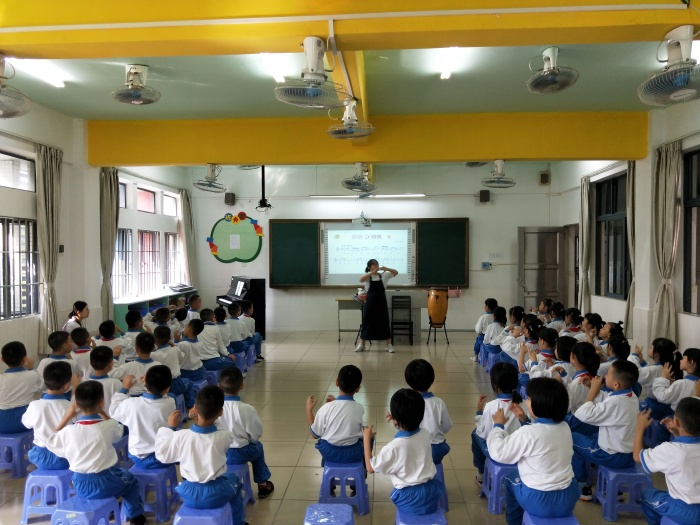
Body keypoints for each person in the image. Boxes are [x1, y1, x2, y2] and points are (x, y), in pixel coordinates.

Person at [46, 381, 147, 525]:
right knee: (130, 481)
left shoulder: (69, 431)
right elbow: (119, 432)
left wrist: (67, 417)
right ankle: (136, 517)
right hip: (105, 481)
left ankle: (107, 507)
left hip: (80, 484)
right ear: (101, 403)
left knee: (115, 478)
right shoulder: (108, 425)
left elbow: (50, 441)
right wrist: (103, 412)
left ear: (77, 405)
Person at [487, 377, 580, 525]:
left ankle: (514, 522)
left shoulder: (528, 433)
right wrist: (524, 420)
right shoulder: (565, 427)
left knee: (511, 477)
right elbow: (541, 436)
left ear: (540, 404)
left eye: (529, 398)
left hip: (538, 501)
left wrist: (498, 425)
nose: (526, 401)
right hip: (568, 499)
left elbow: (499, 452)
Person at [155, 386, 247, 525]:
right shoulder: (224, 436)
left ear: (195, 409)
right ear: (220, 412)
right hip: (216, 493)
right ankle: (238, 522)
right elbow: (219, 429)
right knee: (235, 482)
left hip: (188, 493)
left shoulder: (181, 436)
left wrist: (170, 428)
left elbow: (162, 455)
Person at [362, 388, 445, 515]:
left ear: (395, 419)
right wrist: (398, 420)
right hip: (432, 492)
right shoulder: (425, 433)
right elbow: (410, 434)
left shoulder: (394, 447)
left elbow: (370, 468)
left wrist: (366, 439)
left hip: (409, 498)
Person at [572, 359, 640, 500]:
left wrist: (592, 392)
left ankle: (582, 486)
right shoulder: (631, 396)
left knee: (571, 439)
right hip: (629, 455)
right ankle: (612, 488)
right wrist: (592, 387)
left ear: (616, 384)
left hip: (612, 456)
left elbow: (583, 414)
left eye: (608, 374)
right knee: (592, 436)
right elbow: (607, 400)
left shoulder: (616, 402)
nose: (604, 376)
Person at [634, 398, 700, 525]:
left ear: (676, 422)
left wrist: (639, 428)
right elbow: (688, 450)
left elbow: (637, 457)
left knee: (646, 495)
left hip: (685, 510)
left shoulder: (669, 450)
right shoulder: (675, 450)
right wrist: (677, 433)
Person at [218, 367, 274, 498]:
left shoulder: (214, 408)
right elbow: (255, 434)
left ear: (219, 386)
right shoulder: (247, 409)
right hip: (241, 452)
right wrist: (250, 440)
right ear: (242, 385)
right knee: (258, 447)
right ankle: (262, 484)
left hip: (219, 453)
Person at [472, 362, 528, 486]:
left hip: (500, 450)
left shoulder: (491, 406)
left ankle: (481, 474)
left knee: (475, 434)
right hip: (520, 449)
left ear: (495, 386)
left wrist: (479, 412)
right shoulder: (524, 404)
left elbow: (483, 433)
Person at [111, 365, 177, 469]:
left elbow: (113, 410)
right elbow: (163, 396)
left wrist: (124, 389)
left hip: (139, 458)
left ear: (144, 381)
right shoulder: (170, 402)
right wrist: (148, 383)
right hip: (164, 456)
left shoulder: (132, 404)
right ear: (167, 389)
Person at [306, 365, 366, 466]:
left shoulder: (326, 408)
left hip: (329, 453)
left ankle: (328, 465)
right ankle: (365, 465)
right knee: (368, 435)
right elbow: (347, 416)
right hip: (352, 454)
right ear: (358, 389)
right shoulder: (359, 408)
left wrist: (309, 410)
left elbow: (314, 434)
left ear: (337, 382)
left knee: (324, 434)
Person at [22, 361, 75, 470]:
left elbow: (26, 424)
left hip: (41, 457)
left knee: (34, 449)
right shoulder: (70, 407)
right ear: (66, 385)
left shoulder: (34, 405)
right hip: (64, 458)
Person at [404, 359, 452, 465]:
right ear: (432, 379)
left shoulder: (408, 403)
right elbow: (446, 427)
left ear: (409, 381)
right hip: (437, 451)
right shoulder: (439, 402)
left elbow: (404, 428)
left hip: (416, 449)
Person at [630, 338, 680, 420]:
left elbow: (638, 373)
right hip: (665, 405)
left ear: (657, 354)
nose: (649, 348)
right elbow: (649, 372)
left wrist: (634, 355)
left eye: (651, 347)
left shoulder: (656, 369)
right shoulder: (665, 366)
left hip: (655, 406)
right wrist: (642, 362)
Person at [355, 259, 398, 353]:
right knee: (367, 321)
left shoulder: (384, 275)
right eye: (374, 264)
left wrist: (386, 268)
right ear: (369, 267)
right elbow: (361, 280)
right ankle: (362, 344)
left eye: (377, 264)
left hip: (381, 302)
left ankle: (388, 344)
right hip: (370, 302)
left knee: (384, 321)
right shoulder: (367, 275)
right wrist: (371, 273)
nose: (376, 265)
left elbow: (396, 272)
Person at [0, 341, 42, 433]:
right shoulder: (33, 375)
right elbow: (46, 387)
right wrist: (31, 368)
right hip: (24, 422)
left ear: (2, 359)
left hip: (2, 424)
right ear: (25, 359)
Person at [152, 326, 195, 410]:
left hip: (160, 387)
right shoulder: (175, 349)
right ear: (169, 338)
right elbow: (181, 360)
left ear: (154, 339)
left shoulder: (152, 355)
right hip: (176, 384)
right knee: (189, 382)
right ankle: (190, 407)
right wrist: (173, 344)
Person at [37, 330, 83, 397]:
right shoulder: (72, 363)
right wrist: (71, 359)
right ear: (64, 346)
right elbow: (80, 375)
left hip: (47, 395)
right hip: (67, 396)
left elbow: (39, 381)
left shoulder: (44, 362)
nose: (72, 343)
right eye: (70, 341)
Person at [87, 346, 123, 413]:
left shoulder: (85, 385)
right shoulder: (116, 383)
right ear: (111, 364)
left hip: (94, 419)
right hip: (113, 418)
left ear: (90, 363)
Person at [470, 297, 498, 362]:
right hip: (495, 337)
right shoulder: (497, 316)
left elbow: (478, 329)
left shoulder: (483, 317)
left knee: (478, 342)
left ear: (487, 307)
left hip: (484, 337)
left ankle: (476, 355)